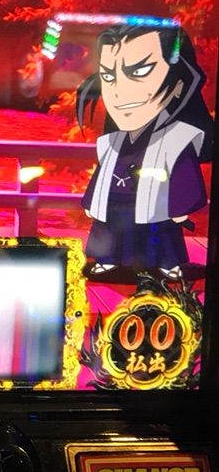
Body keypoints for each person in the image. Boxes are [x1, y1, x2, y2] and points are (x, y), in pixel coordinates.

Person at [77, 23, 212, 281]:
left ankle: (167, 265)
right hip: (116, 203)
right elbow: (101, 175)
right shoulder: (112, 141)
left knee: (160, 236)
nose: (119, 92)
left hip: (158, 206)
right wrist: (91, 202)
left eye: (140, 71)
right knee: (111, 234)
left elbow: (186, 178)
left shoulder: (179, 138)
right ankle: (108, 261)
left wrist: (181, 206)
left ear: (179, 82)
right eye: (108, 76)